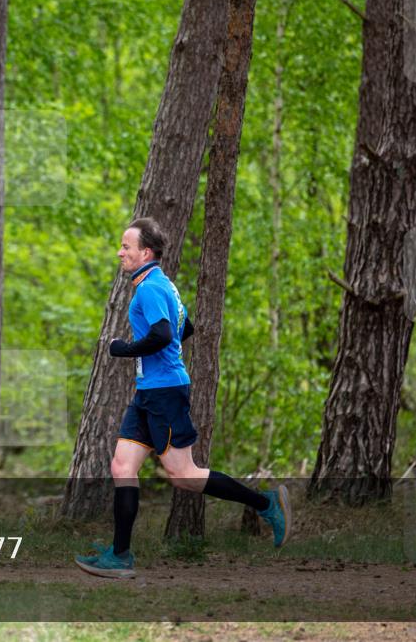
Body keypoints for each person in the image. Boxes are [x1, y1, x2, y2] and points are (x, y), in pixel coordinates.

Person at [74, 217, 290, 579]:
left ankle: (266, 504)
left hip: (166, 394)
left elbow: (162, 334)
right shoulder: (162, 285)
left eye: (126, 247)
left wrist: (123, 349)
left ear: (145, 252)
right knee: (122, 467)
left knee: (183, 474)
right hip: (148, 392)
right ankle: (120, 555)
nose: (120, 252)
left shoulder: (150, 289)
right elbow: (183, 328)